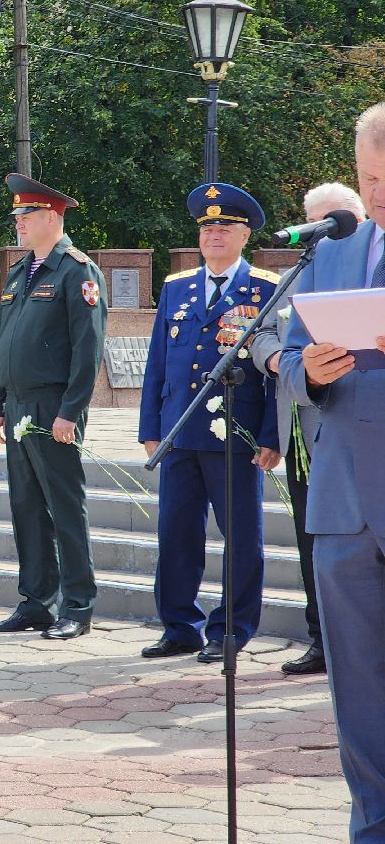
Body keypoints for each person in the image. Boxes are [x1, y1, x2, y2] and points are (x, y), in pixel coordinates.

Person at [279, 102, 385, 840]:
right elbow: (283, 358)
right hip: (345, 507)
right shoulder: (335, 251)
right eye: (366, 177)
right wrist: (309, 373)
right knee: (358, 699)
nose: (375, 195)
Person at [138, 184, 281, 664]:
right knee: (176, 532)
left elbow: (275, 372)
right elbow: (157, 362)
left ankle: (233, 628)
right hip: (180, 431)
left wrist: (271, 435)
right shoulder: (178, 287)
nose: (214, 235)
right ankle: (180, 626)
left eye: (225, 227)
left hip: (237, 436)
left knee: (241, 536)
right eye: (207, 228)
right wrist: (150, 427)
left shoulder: (263, 288)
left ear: (244, 235)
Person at [0, 174, 107, 641]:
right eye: (17, 215)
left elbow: (88, 348)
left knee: (64, 506)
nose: (18, 223)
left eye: (26, 215)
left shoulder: (77, 270)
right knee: (26, 505)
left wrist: (70, 412)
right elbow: (2, 346)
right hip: (16, 406)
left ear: (51, 217)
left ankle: (77, 605)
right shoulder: (20, 272)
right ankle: (36, 600)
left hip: (53, 405)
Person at [253, 181, 365, 676]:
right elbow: (256, 331)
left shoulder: (367, 272)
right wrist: (278, 358)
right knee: (310, 539)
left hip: (355, 433)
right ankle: (322, 639)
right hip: (301, 428)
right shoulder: (298, 277)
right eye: (318, 225)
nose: (328, 234)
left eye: (336, 221)